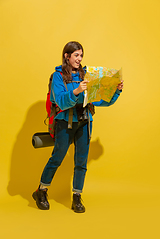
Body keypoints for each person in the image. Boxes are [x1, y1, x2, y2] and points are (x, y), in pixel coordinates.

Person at [32, 41, 123, 213]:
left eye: (81, 55)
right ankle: (41, 191)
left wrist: (116, 91)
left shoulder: (86, 75)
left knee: (81, 162)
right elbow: (59, 100)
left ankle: (77, 197)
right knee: (56, 158)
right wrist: (76, 91)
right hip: (64, 123)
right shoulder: (57, 76)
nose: (79, 59)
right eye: (76, 55)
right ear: (67, 56)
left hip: (84, 122)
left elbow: (101, 100)